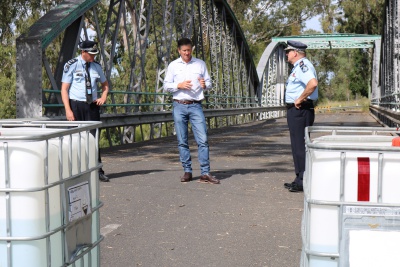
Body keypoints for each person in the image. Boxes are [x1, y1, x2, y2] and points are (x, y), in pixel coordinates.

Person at [163, 37, 220, 184]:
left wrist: (205, 84)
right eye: (184, 51)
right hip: (179, 105)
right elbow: (166, 85)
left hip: (196, 105)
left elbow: (209, 83)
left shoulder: (200, 64)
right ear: (179, 51)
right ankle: (187, 171)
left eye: (189, 50)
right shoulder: (173, 66)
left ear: (191, 49)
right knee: (182, 140)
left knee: (203, 140)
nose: (187, 53)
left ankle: (205, 172)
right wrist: (179, 85)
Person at [61, 40, 110, 182]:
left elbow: (105, 85)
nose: (93, 56)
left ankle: (98, 170)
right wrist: (68, 110)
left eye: (95, 54)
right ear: (83, 52)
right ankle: (75, 172)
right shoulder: (71, 65)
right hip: (76, 106)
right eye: (91, 54)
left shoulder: (96, 66)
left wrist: (103, 97)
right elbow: (64, 89)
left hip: (92, 106)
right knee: (75, 140)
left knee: (94, 139)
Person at [283, 40, 318, 192]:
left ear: (295, 53)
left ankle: (303, 180)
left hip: (300, 109)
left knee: (300, 147)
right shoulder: (298, 67)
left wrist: (300, 98)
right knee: (297, 146)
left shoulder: (303, 66)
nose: (286, 54)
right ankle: (299, 178)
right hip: (297, 110)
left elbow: (313, 83)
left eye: (288, 51)